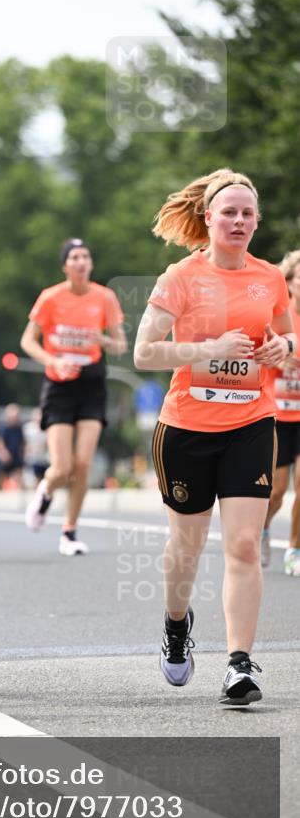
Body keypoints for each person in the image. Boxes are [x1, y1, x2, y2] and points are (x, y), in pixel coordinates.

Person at [134, 169, 296, 706]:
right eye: (229, 212)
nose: (239, 221)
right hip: (186, 429)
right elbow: (144, 352)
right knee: (187, 546)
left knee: (246, 543)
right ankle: (176, 624)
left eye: (248, 213)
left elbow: (288, 335)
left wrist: (283, 350)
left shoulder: (269, 277)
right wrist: (205, 351)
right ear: (207, 218)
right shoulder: (180, 276)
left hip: (251, 420)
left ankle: (238, 664)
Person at [21, 238, 126, 555]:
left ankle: (69, 532)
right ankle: (46, 491)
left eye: (86, 256)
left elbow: (120, 345)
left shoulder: (105, 297)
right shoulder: (51, 298)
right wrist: (53, 361)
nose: (81, 261)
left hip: (91, 384)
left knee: (83, 464)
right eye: (75, 257)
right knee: (62, 467)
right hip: (59, 386)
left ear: (90, 264)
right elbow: (28, 341)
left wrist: (103, 340)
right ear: (65, 265)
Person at [261, 249, 300, 575]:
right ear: (289, 282)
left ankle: (294, 549)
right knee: (276, 490)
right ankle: (262, 528)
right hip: (278, 415)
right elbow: (259, 357)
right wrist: (280, 356)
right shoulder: (279, 319)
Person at [0, 403, 25, 489]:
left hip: (15, 455)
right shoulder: (1, 427)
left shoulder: (19, 428)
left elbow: (22, 443)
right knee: (1, 477)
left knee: (18, 476)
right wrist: (3, 453)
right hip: (4, 456)